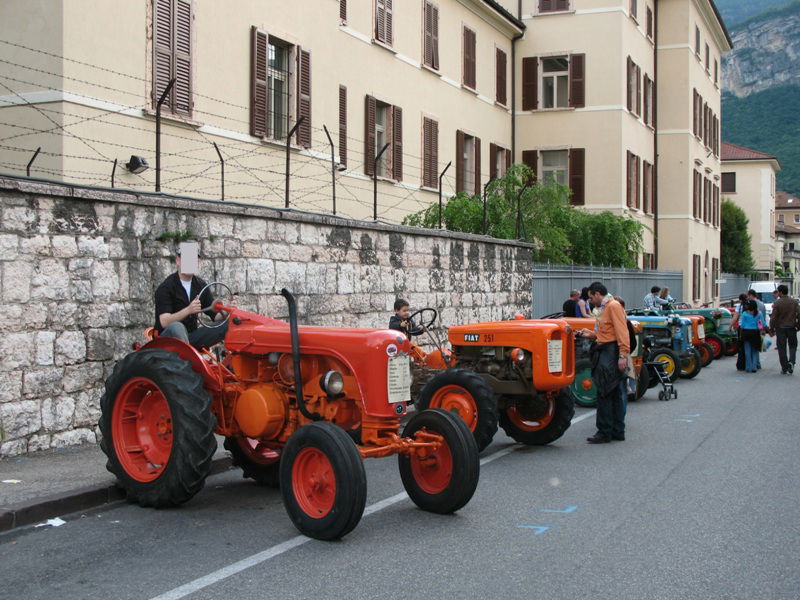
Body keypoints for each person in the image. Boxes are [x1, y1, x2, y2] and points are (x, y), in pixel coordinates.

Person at [578, 282, 629, 443]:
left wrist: (622, 355)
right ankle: (615, 431)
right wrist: (591, 335)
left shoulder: (613, 306)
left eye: (592, 297)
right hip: (607, 350)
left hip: (610, 352)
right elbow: (608, 332)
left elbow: (622, 331)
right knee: (613, 393)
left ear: (598, 293)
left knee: (605, 392)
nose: (591, 301)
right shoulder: (605, 308)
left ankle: (605, 431)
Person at [154, 245, 232, 351]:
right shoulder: (166, 287)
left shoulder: (200, 285)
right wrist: (188, 310)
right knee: (177, 327)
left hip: (190, 338)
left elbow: (215, 316)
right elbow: (164, 322)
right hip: (167, 339)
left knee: (228, 325)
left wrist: (227, 310)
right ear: (178, 261)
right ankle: (189, 360)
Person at [768, 284, 800, 375]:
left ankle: (785, 367)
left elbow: (773, 317)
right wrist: (798, 325)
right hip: (791, 327)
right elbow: (799, 314)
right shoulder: (794, 302)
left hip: (780, 328)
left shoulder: (777, 303)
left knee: (782, 348)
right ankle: (791, 362)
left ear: (780, 292)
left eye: (778, 292)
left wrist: (771, 328)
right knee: (793, 346)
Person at [739, 299, 765, 373]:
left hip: (746, 332)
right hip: (755, 333)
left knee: (747, 350)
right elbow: (763, 324)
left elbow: (742, 325)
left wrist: (741, 335)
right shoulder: (759, 313)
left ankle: (748, 367)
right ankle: (754, 367)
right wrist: (766, 331)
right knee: (755, 350)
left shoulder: (744, 313)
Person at [732, 293, 749, 371]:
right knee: (748, 346)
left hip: (741, 328)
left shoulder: (739, 307)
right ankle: (749, 363)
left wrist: (730, 327)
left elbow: (735, 318)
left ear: (740, 300)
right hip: (750, 328)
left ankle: (740, 364)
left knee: (741, 347)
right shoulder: (749, 306)